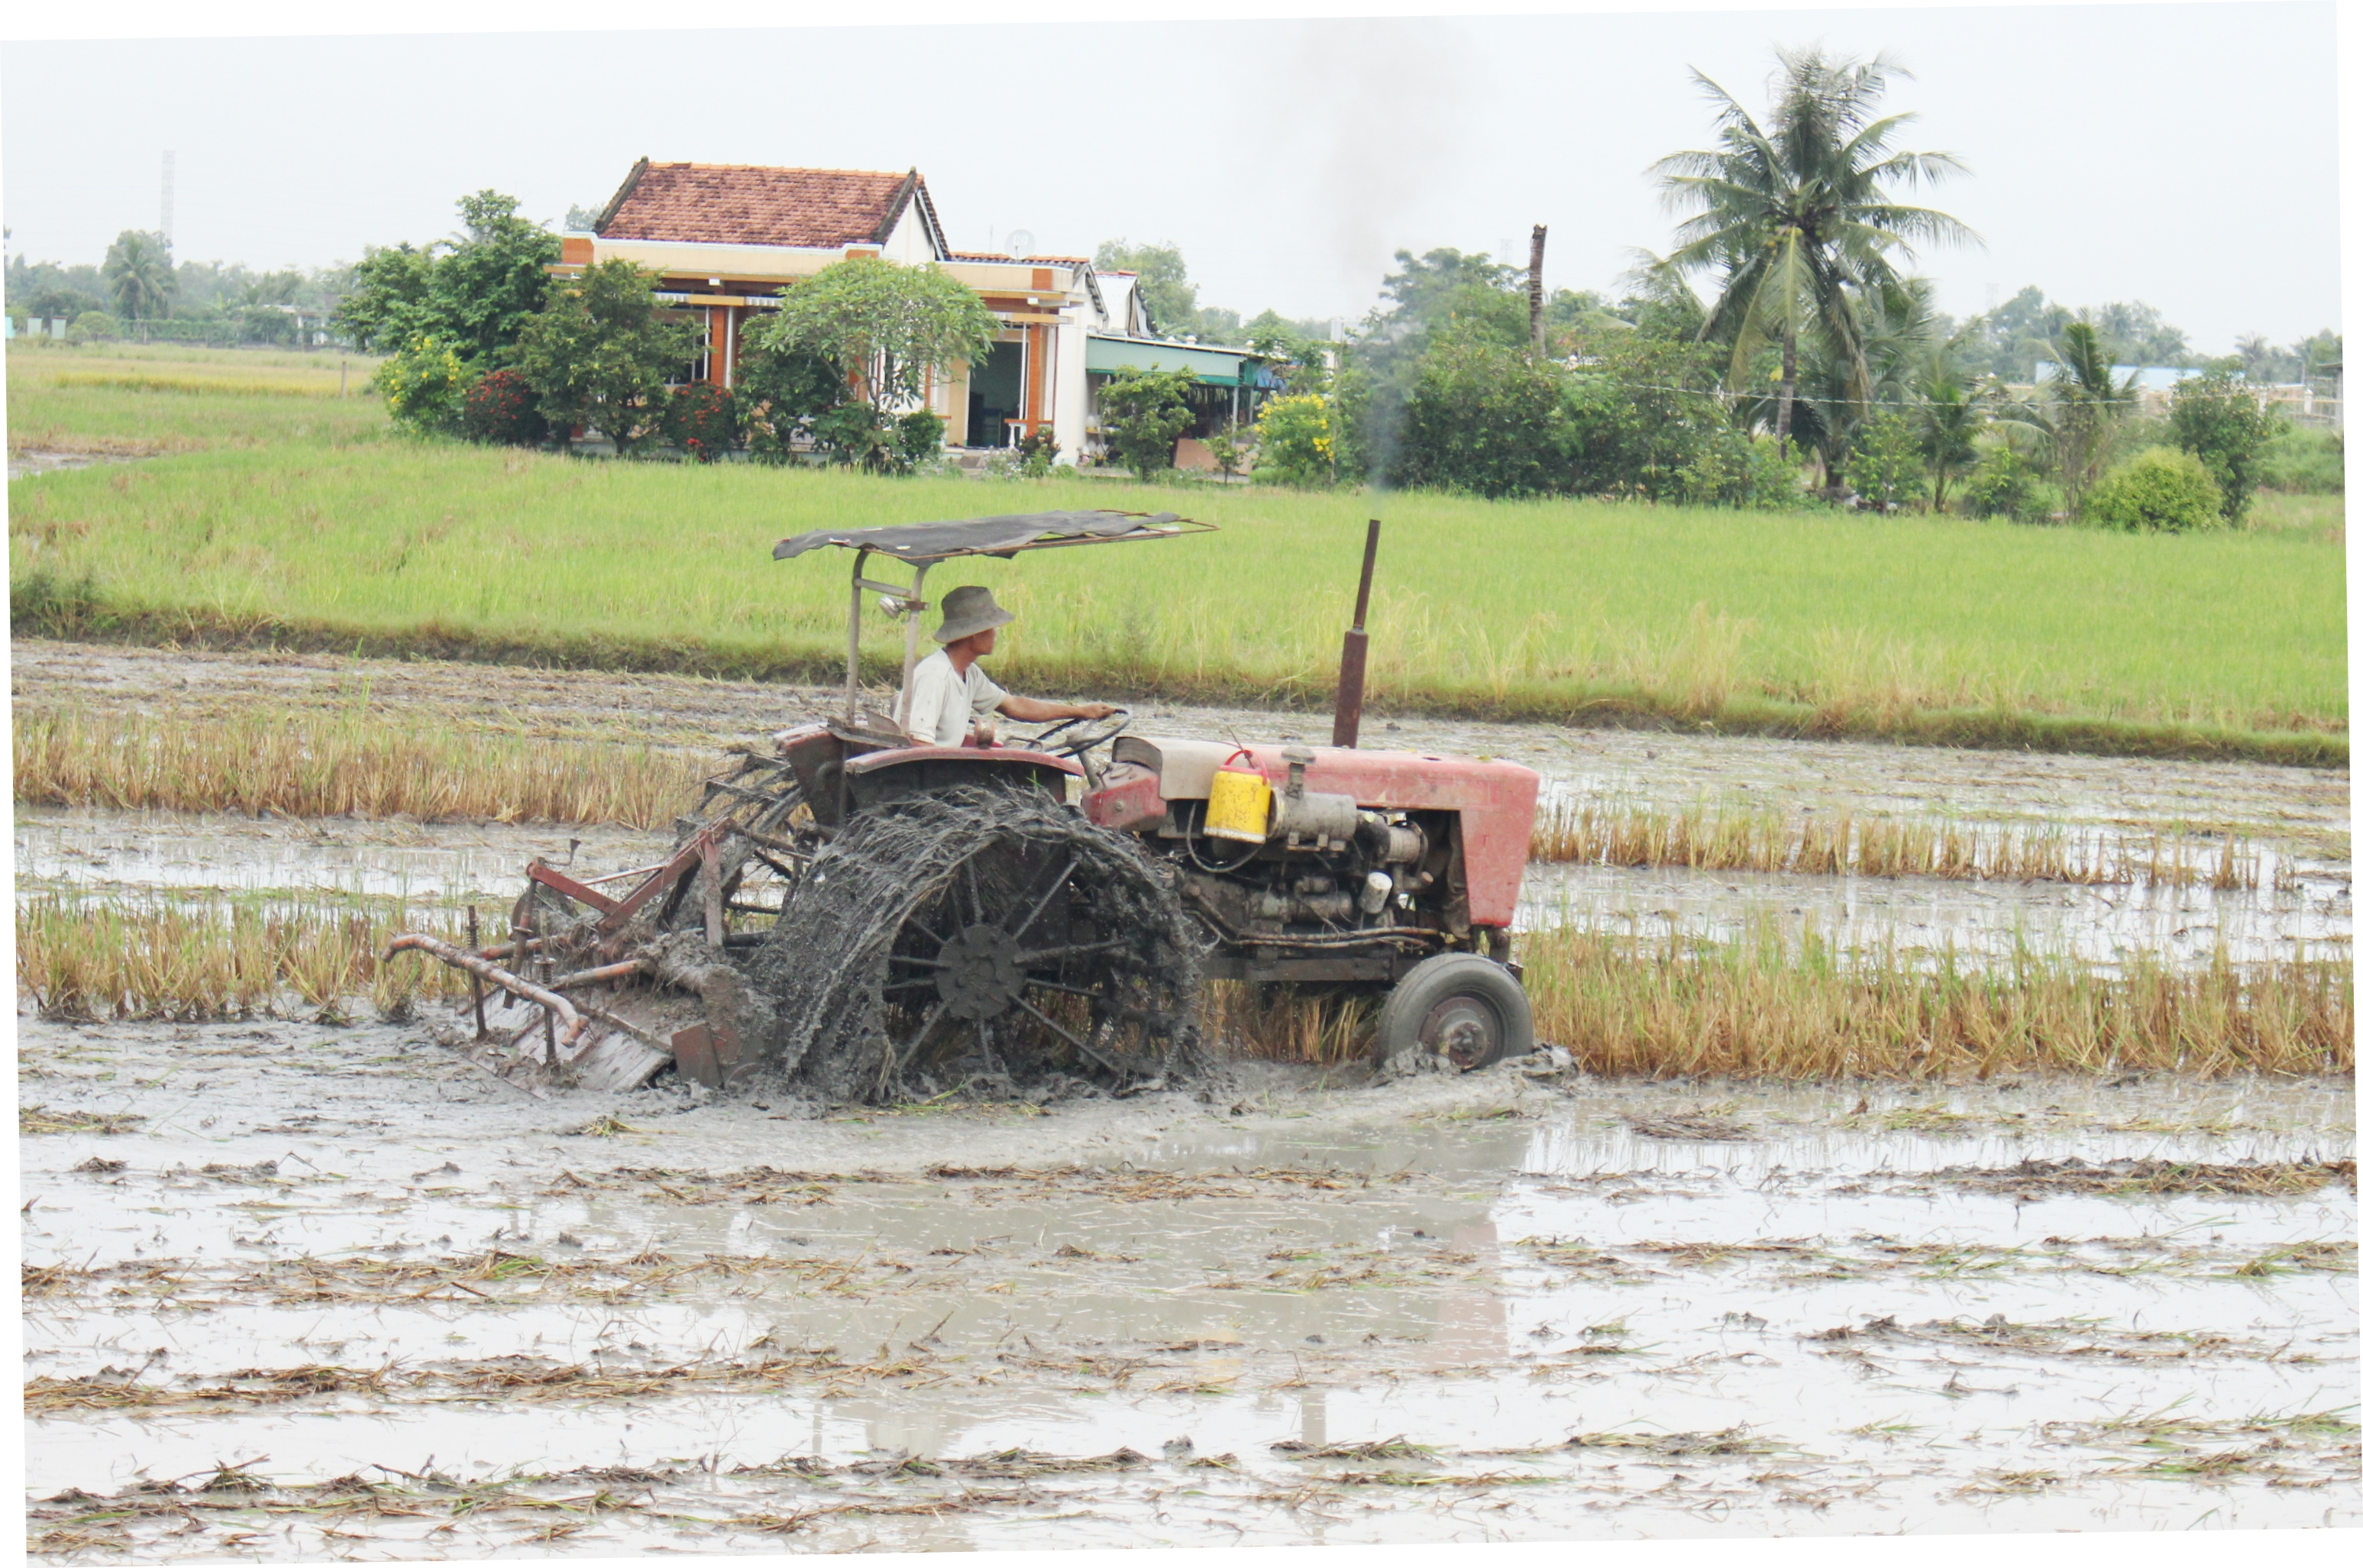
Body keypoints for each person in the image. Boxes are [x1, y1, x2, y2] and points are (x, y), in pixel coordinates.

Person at [901, 584, 1116, 747]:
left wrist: (1081, 711)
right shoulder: (936, 676)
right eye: (992, 627)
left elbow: (1014, 706)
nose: (996, 634)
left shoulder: (970, 674)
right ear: (975, 633)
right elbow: (919, 745)